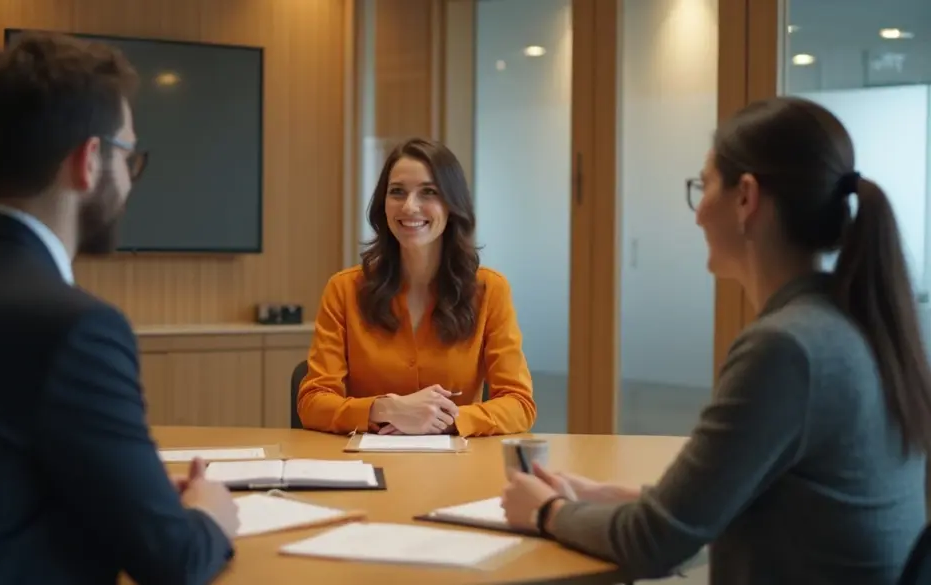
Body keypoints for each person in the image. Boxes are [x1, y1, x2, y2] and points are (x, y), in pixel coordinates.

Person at [501, 96, 931, 584]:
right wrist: (616, 500)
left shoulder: (788, 349)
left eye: (702, 187)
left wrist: (547, 511)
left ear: (746, 198)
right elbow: (750, 501)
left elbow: (655, 543)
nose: (698, 213)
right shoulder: (853, 323)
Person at [0, 32, 238, 585]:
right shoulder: (76, 328)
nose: (131, 182)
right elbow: (174, 561)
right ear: (89, 161)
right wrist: (210, 513)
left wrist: (131, 492)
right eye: (129, 158)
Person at [297, 138, 536, 437]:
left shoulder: (489, 290)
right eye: (397, 192)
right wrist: (386, 409)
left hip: (458, 467)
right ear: (383, 204)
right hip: (364, 465)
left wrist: (443, 420)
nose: (410, 206)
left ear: (452, 204)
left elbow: (519, 404)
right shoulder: (344, 289)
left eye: (429, 192)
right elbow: (312, 402)